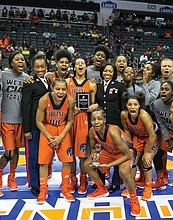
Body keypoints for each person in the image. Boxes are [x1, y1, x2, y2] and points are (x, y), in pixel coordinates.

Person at [83, 108, 140, 217]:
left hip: (126, 152)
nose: (96, 122)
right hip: (109, 151)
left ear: (105, 120)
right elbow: (93, 147)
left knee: (123, 173)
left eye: (99, 119)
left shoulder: (113, 131)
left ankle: (134, 199)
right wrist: (95, 153)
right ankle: (102, 189)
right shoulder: (92, 131)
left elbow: (127, 154)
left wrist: (108, 165)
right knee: (87, 165)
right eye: (93, 119)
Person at [36, 78, 75, 204]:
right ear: (52, 88)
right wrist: (49, 136)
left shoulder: (70, 100)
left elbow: (70, 121)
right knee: (43, 162)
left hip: (63, 130)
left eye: (63, 89)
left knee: (67, 161)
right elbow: (38, 121)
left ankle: (65, 188)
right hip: (47, 129)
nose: (60, 92)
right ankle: (43, 189)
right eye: (58, 89)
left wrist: (60, 137)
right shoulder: (44, 99)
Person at [66, 58, 97, 195]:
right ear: (74, 67)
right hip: (70, 120)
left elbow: (94, 105)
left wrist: (94, 106)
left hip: (84, 119)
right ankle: (73, 179)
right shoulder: (67, 82)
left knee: (83, 154)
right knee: (70, 154)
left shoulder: (91, 84)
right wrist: (71, 107)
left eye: (82, 63)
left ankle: (83, 178)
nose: (80, 65)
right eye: (77, 63)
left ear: (86, 67)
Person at [21, 54, 51, 196]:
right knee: (33, 156)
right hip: (33, 126)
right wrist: (27, 129)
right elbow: (25, 106)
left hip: (46, 125)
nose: (40, 69)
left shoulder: (49, 82)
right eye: (37, 67)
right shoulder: (29, 83)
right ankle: (34, 184)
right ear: (33, 68)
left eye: (42, 67)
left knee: (43, 156)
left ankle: (42, 180)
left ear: (46, 67)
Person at [0, 51, 28, 197]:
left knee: (16, 151)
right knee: (9, 153)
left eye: (22, 59)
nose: (20, 61)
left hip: (21, 121)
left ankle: (12, 177)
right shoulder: (3, 76)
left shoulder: (27, 78)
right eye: (17, 59)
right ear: (11, 63)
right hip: (6, 120)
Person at [121, 92, 158, 201]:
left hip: (150, 137)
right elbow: (127, 131)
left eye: (135, 104)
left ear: (139, 106)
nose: (132, 107)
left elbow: (152, 135)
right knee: (133, 159)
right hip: (137, 136)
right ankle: (131, 186)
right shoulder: (124, 114)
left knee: (146, 160)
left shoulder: (143, 115)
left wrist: (147, 152)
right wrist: (130, 146)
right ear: (126, 106)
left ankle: (148, 187)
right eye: (130, 104)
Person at [95, 62, 126, 192]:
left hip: (115, 123)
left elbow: (123, 104)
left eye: (110, 71)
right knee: (101, 152)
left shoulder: (119, 85)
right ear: (102, 72)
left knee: (117, 153)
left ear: (113, 73)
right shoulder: (97, 85)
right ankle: (100, 180)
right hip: (101, 124)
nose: (107, 73)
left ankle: (116, 182)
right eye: (105, 71)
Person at [151, 82, 173, 193]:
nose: (163, 91)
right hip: (168, 132)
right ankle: (160, 179)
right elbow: (160, 123)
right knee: (157, 155)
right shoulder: (156, 104)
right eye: (162, 89)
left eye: (166, 89)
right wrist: (167, 138)